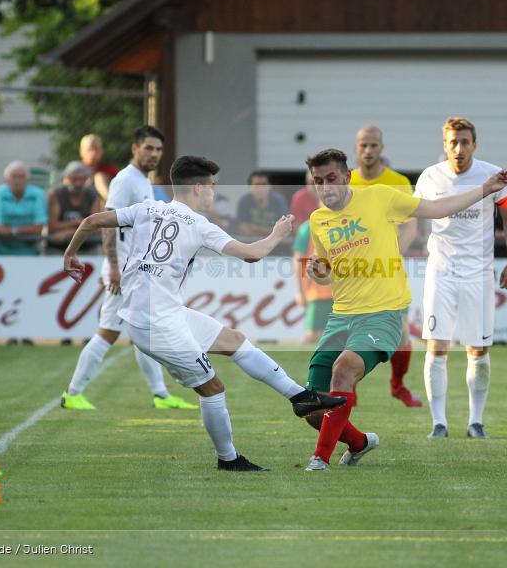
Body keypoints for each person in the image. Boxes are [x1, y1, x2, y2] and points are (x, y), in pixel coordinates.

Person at [63, 155, 345, 471]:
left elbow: (90, 222)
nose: (213, 192)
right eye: (212, 186)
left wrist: (70, 254)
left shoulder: (147, 208)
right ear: (198, 187)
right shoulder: (198, 224)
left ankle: (300, 397)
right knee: (212, 387)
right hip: (156, 323)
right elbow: (252, 254)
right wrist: (278, 233)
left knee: (234, 340)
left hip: (162, 312)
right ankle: (229, 459)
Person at [300, 148, 507, 471]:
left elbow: (437, 208)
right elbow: (328, 269)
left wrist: (484, 189)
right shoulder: (318, 220)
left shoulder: (381, 197)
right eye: (318, 181)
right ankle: (359, 443)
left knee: (343, 371)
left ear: (347, 176)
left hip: (383, 314)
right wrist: (319, 271)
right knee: (311, 407)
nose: (326, 187)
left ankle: (320, 459)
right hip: (341, 317)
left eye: (331, 179)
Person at [61, 126, 195, 411]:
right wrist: (112, 265)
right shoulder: (124, 180)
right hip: (122, 270)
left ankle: (160, 395)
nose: (154, 154)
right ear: (135, 149)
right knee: (109, 331)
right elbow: (107, 222)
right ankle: (73, 393)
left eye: (158, 149)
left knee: (142, 331)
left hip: (135, 269)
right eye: (148, 148)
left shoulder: (142, 182)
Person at [415, 117, 507, 439]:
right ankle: (439, 423)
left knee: (478, 350)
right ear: (444, 145)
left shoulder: (493, 176)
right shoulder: (430, 177)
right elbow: (415, 215)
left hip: (479, 274)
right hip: (441, 272)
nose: (458, 149)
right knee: (437, 347)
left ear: (475, 144)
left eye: (464, 142)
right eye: (452, 142)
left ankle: (475, 421)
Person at [350, 125, 421, 407]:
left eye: (373, 145)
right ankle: (349, 388)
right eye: (363, 145)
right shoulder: (346, 182)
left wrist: (388, 255)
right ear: (356, 148)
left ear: (381, 148)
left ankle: (398, 385)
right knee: (351, 330)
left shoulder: (398, 181)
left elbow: (411, 227)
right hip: (352, 273)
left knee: (401, 334)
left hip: (389, 271)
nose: (368, 150)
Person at [0, 161, 48, 256]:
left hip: (30, 250)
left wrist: (11, 230)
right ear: (7, 179)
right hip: (1, 250)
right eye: (14, 176)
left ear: (28, 179)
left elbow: (38, 228)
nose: (17, 180)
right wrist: (25, 230)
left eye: (21, 176)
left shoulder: (38, 194)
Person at [293, 220, 333, 343]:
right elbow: (299, 261)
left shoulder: (347, 222)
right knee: (313, 336)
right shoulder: (308, 228)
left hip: (344, 292)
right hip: (318, 292)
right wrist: (300, 291)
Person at [47, 162, 101, 252]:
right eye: (74, 179)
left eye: (82, 179)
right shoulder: (56, 195)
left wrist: (70, 232)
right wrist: (80, 223)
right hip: (59, 248)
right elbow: (52, 227)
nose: (78, 183)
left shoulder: (92, 195)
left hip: (87, 247)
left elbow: (97, 227)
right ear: (66, 179)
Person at [236, 172, 289, 237]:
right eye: (256, 185)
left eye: (264, 185)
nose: (260, 188)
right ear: (250, 187)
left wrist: (256, 229)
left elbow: (283, 228)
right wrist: (270, 231)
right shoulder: (244, 201)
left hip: (276, 244)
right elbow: (242, 228)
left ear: (270, 187)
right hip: (250, 243)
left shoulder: (279, 201)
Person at [80, 134, 120, 202]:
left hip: (104, 205)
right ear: (82, 151)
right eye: (90, 149)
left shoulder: (110, 169)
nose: (94, 153)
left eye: (97, 149)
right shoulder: (76, 171)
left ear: (101, 151)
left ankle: (112, 204)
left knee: (99, 177)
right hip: (83, 205)